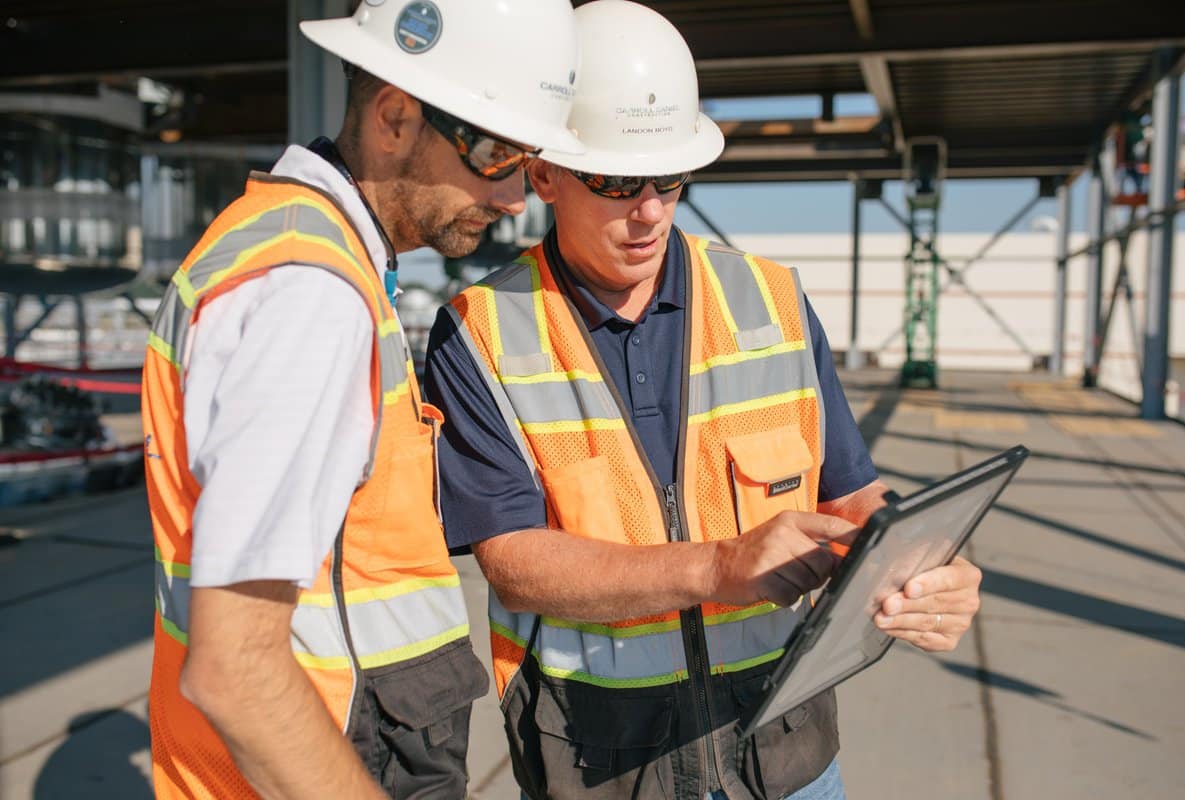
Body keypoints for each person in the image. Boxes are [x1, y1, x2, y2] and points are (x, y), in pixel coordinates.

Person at [423, 2, 983, 799]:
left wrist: (932, 568)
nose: (648, 209)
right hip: (600, 763)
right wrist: (723, 566)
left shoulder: (774, 302)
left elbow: (855, 495)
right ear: (542, 172)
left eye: (670, 178)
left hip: (786, 757)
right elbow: (514, 565)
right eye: (615, 180)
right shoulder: (482, 334)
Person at [140, 1, 583, 797]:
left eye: (531, 159)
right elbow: (235, 666)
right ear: (394, 118)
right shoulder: (312, 294)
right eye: (496, 154)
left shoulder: (296, 246)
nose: (519, 196)